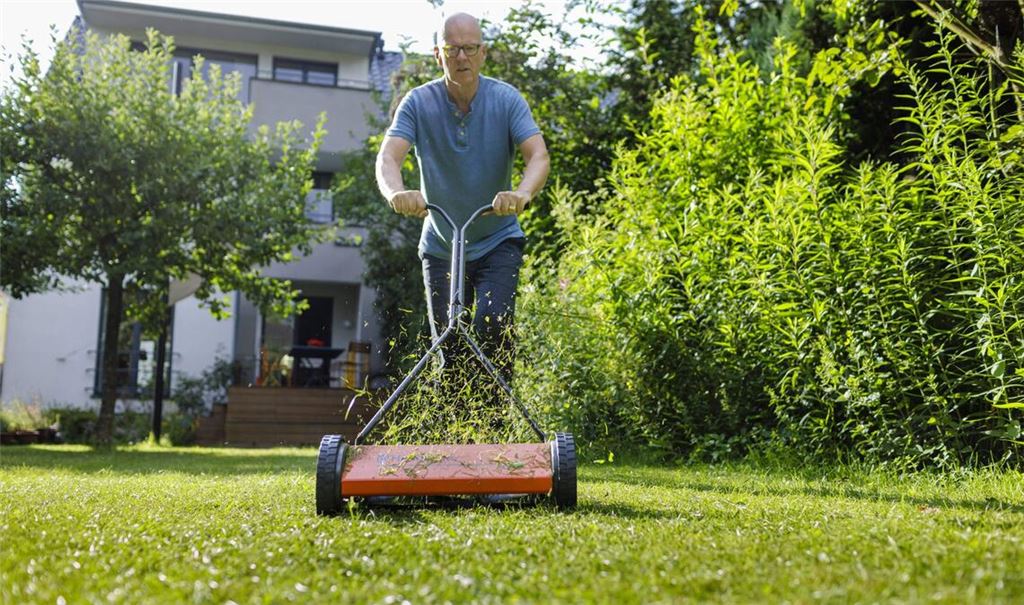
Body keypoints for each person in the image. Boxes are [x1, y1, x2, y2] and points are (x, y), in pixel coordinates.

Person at [375, 12, 550, 398]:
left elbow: (538, 155)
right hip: (441, 245)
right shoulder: (418, 103)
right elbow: (388, 157)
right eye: (452, 49)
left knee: (493, 324)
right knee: (449, 346)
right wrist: (396, 193)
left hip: (497, 239)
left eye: (470, 48)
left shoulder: (506, 99)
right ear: (438, 54)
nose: (461, 57)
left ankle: (496, 424)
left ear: (483, 52)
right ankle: (455, 428)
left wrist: (522, 193)